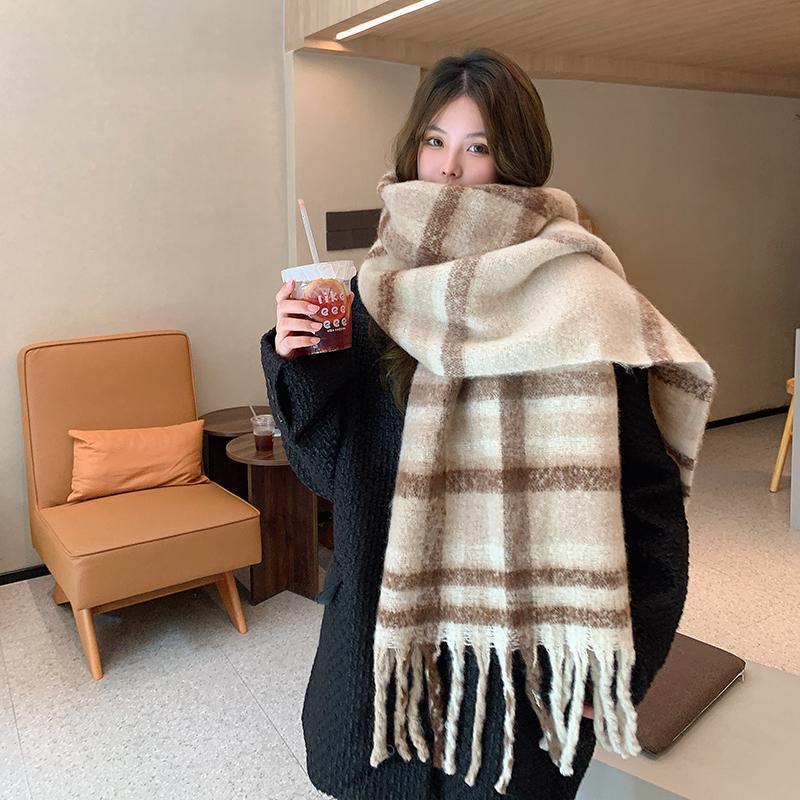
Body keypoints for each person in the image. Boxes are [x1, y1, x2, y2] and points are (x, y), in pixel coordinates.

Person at [261, 48, 712, 800]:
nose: (448, 167)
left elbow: (648, 505)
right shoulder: (374, 292)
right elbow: (326, 473)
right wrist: (300, 360)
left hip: (515, 672)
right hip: (382, 652)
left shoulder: (582, 301)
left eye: (477, 146)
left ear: (517, 159)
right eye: (434, 140)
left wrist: (621, 661)